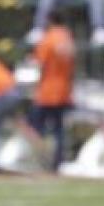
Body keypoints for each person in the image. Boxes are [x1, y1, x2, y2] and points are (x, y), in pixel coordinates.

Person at [28, 9, 75, 171]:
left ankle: (38, 161)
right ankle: (57, 163)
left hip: (47, 91)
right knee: (59, 131)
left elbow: (37, 64)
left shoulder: (48, 39)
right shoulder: (68, 38)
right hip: (64, 91)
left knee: (35, 127)